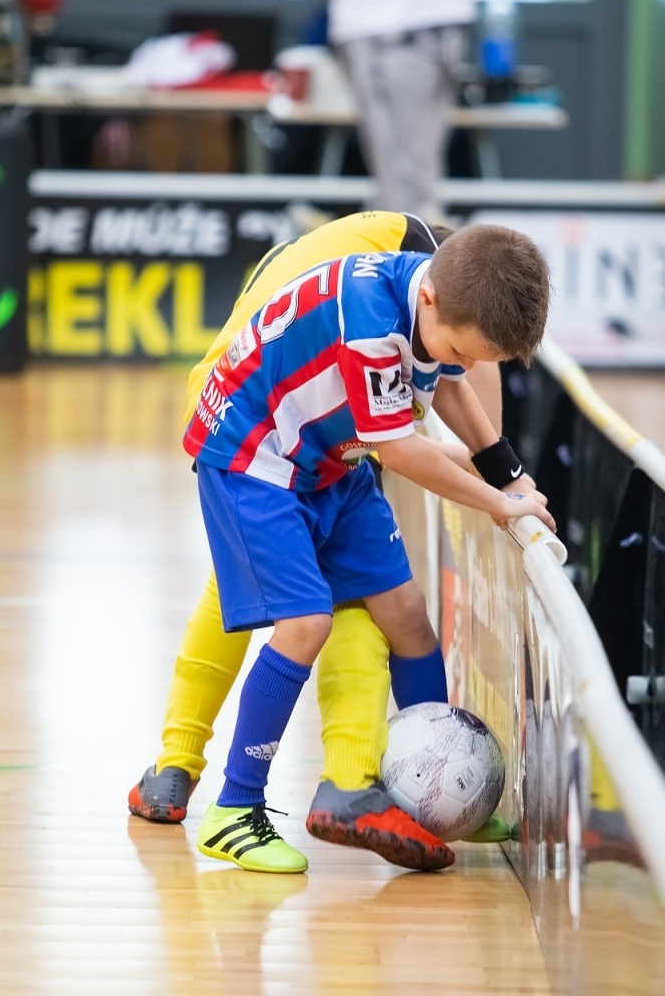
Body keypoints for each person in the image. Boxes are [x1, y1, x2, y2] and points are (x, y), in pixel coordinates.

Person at [128, 215, 528, 862]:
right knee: (305, 620)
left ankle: (425, 785)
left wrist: (506, 473)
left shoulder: (436, 292)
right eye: (465, 351)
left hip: (329, 454)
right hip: (255, 456)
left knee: (403, 612)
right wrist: (500, 503)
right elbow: (402, 450)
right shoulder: (373, 323)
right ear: (431, 297)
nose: (468, 365)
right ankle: (235, 806)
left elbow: (450, 382)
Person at [326, 0, 473, 221]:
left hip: (409, 18)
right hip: (370, 18)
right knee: (397, 191)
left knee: (410, 196)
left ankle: (418, 248)